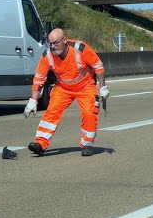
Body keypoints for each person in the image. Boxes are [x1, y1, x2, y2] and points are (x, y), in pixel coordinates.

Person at [24, 28, 109, 157]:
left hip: (86, 87)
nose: (53, 47)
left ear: (64, 40)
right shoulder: (47, 55)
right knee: (52, 110)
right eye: (50, 43)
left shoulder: (80, 48)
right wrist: (33, 100)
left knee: (89, 112)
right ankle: (40, 143)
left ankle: (87, 144)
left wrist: (102, 87)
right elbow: (39, 78)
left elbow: (98, 66)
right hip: (63, 88)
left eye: (56, 43)